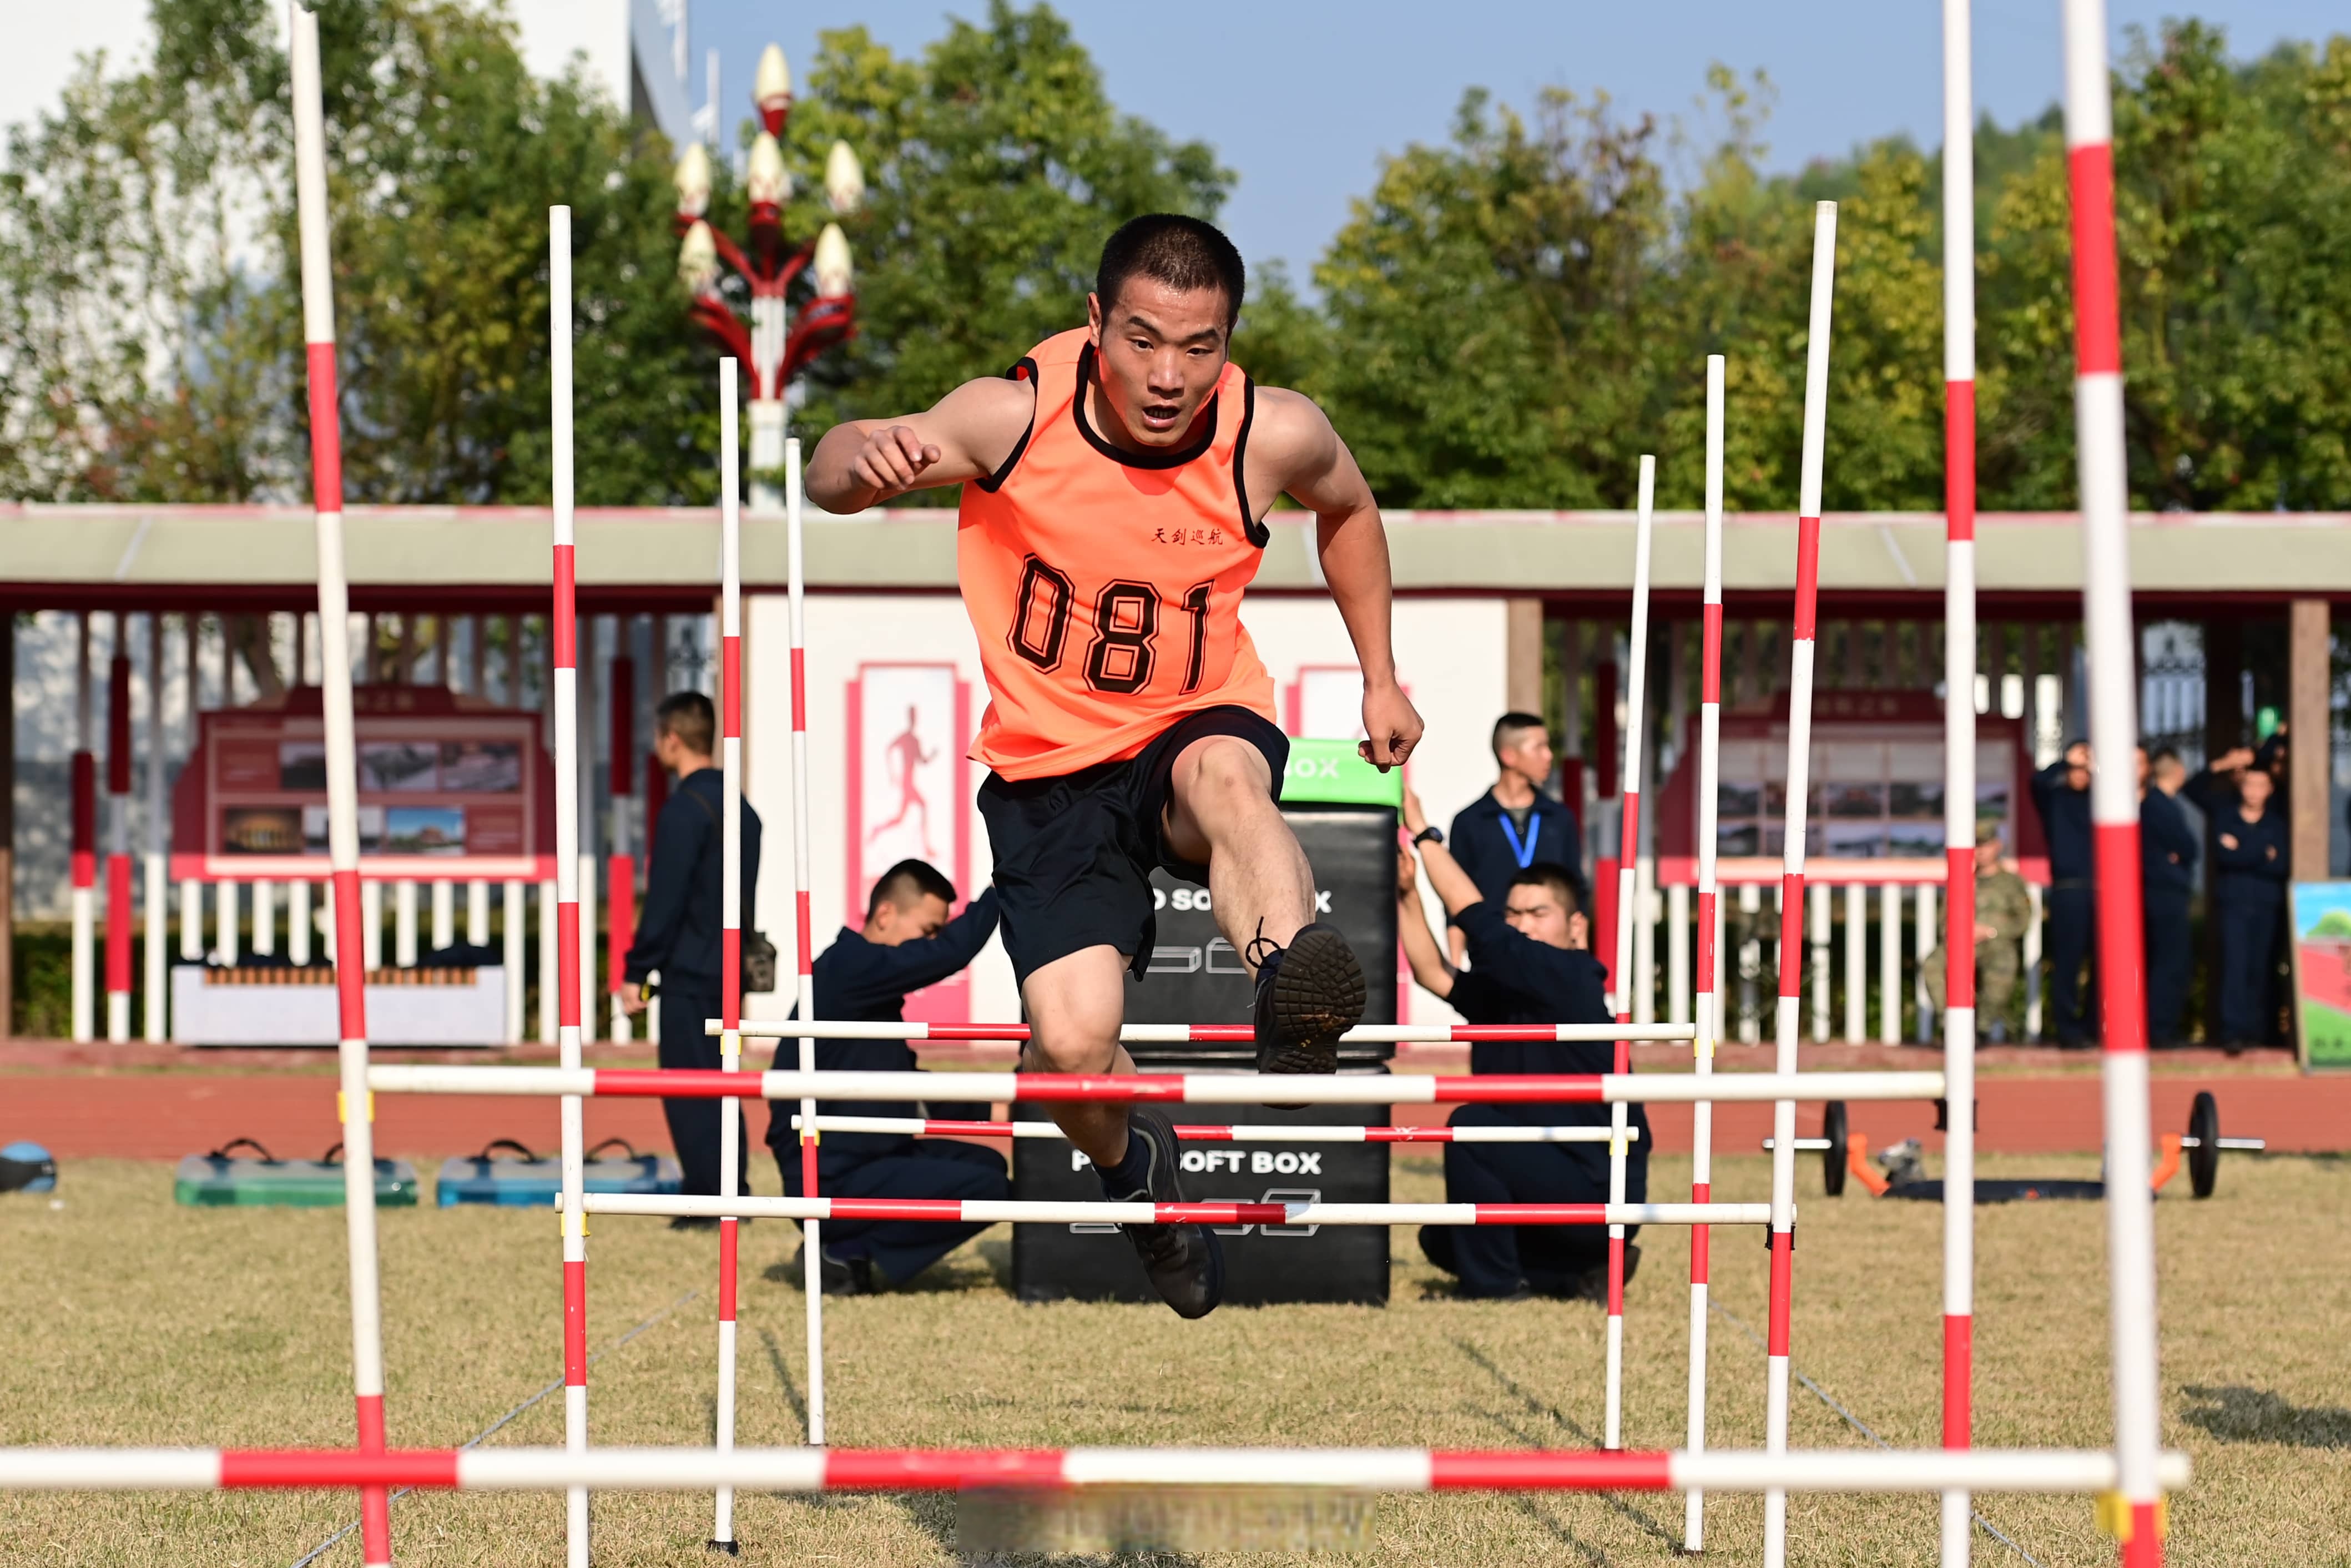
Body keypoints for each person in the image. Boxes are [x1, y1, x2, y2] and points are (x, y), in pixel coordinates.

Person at [805, 214, 1423, 1319]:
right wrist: (858, 461)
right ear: (1097, 325)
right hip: (1050, 769)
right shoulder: (1015, 417)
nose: (1170, 374)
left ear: (1232, 340)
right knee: (1074, 1041)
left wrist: (1379, 672)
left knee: (1229, 774)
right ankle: (1142, 1179)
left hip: (1193, 723)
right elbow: (835, 467)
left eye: (1201, 345)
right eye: (1144, 340)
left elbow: (1352, 508)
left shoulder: (1268, 433)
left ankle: (1291, 988)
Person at [1395, 788, 1645, 1300]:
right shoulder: (1511, 990)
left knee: (1470, 1124)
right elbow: (1433, 973)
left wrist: (1424, 834)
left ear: (1577, 927)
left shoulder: (1572, 975)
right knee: (1441, 1240)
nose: (1521, 924)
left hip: (1597, 1193)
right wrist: (1405, 893)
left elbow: (1481, 926)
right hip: (1538, 1184)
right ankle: (1573, 1276)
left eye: (1537, 913)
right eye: (1514, 914)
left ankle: (1496, 1287)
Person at [768, 860, 1007, 1294]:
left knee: (989, 1166)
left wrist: (998, 1105)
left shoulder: (867, 987)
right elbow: (952, 952)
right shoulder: (849, 966)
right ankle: (842, 1247)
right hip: (824, 1172)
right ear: (885, 915)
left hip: (868, 1156)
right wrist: (1009, 877)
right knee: (988, 1187)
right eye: (929, 929)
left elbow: (907, 1088)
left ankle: (848, 1247)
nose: (932, 941)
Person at [622, 692, 761, 1219]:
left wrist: (638, 969)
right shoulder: (741, 807)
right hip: (729, 967)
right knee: (724, 1083)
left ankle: (709, 1195)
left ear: (672, 738)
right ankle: (731, 1187)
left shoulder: (685, 809)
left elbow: (665, 899)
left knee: (688, 1084)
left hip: (687, 970)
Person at [1445, 712, 1585, 965]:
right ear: (1509, 755)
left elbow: (1576, 891)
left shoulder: (1559, 817)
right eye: (1539, 747)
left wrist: (1580, 957)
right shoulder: (1470, 821)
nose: (1549, 756)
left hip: (1553, 959)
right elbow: (1454, 898)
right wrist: (1455, 967)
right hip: (1491, 959)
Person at [2187, 752, 2289, 1048]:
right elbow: (2226, 858)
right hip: (2233, 904)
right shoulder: (2225, 815)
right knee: (2235, 966)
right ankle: (2234, 1033)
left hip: (2268, 905)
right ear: (2241, 786)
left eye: (2261, 785)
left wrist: (2243, 849)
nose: (2254, 792)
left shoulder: (2278, 823)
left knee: (2263, 967)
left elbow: (2279, 865)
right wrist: (2262, 853)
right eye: (2249, 784)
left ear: (2270, 789)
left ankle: (2261, 1032)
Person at [1920, 823, 2032, 1042]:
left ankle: (1982, 1029)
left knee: (2003, 964)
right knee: (1933, 964)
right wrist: (1959, 935)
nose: (1980, 851)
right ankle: (1949, 1025)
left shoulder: (2011, 882)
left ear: (1997, 846)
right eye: (1976, 846)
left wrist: (1991, 931)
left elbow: (2023, 920)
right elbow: (1945, 919)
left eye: (1986, 845)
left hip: (1996, 942)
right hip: (1962, 944)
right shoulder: (1963, 881)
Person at [2030, 739, 2097, 1045]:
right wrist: (2065, 759)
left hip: (2102, 891)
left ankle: (2094, 1026)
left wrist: (2098, 765)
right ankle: (2068, 1031)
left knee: (2103, 963)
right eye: (2076, 769)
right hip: (2069, 890)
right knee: (2067, 963)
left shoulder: (2102, 800)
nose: (2080, 774)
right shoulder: (2055, 798)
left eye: (2086, 769)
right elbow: (2037, 782)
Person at [2140, 746, 2201, 1046]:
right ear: (2178, 771)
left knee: (2169, 961)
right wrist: (2180, 854)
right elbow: (2188, 847)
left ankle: (2161, 1027)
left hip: (2164, 891)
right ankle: (2159, 1030)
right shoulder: (2158, 806)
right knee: (2170, 962)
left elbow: (2186, 850)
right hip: (2164, 894)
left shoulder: (2161, 804)